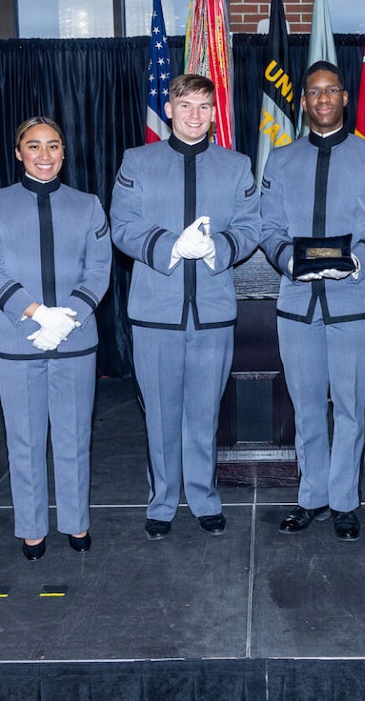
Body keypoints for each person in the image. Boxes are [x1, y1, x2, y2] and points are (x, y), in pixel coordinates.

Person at [109, 74, 261, 540]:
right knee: (158, 412)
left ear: (215, 113)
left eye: (204, 106)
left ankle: (203, 496)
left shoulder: (236, 165)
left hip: (213, 309)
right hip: (156, 311)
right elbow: (122, 224)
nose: (195, 115)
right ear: (169, 110)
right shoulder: (137, 161)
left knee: (204, 412)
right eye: (186, 105)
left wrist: (214, 247)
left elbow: (252, 227)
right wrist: (172, 246)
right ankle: (161, 502)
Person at [260, 61, 365, 541]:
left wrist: (356, 261)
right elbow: (269, 229)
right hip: (297, 303)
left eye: (331, 90)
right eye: (313, 92)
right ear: (303, 101)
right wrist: (288, 260)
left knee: (349, 406)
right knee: (305, 407)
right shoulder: (280, 160)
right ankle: (311, 498)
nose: (322, 99)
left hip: (354, 302)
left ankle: (344, 501)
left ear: (345, 97)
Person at [0, 117, 111, 560]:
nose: (45, 155)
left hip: (75, 337)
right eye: (34, 146)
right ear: (19, 153)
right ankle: (31, 529)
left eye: (53, 146)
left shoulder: (88, 205)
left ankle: (76, 522)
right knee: (25, 440)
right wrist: (36, 314)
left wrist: (66, 317)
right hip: (18, 340)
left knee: (73, 436)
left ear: (64, 152)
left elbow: (99, 269)